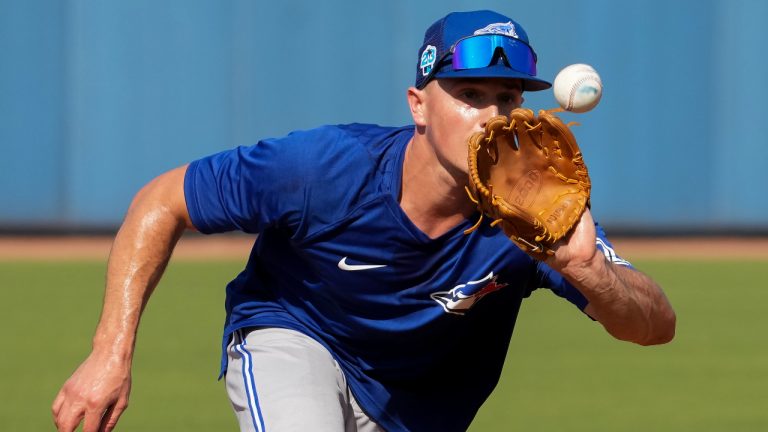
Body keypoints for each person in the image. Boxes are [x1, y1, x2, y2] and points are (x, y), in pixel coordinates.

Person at [52, 9, 676, 432]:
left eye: (508, 98)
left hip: (414, 408)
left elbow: (654, 326)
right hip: (296, 334)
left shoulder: (531, 217)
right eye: (469, 94)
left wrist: (588, 271)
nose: (492, 115)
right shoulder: (323, 169)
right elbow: (162, 201)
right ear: (419, 106)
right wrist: (110, 353)